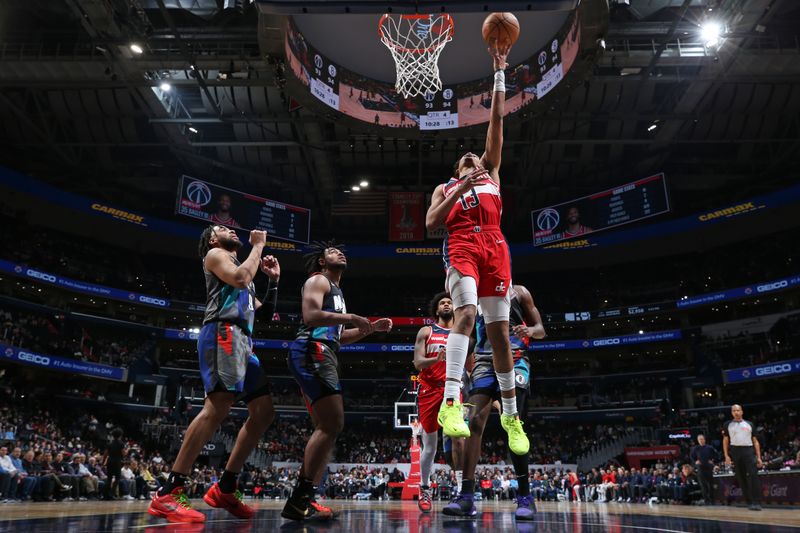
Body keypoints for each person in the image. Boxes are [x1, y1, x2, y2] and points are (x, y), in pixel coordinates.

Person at [426, 41, 529, 461]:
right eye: (464, 157)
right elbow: (433, 223)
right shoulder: (448, 186)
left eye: (476, 154)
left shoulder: (492, 173)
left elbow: (497, 122)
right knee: (466, 314)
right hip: (463, 243)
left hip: (496, 243)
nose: (472, 153)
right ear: (458, 169)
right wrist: (461, 189)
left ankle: (512, 416)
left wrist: (500, 73)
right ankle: (452, 404)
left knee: (500, 332)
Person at [149, 225, 281, 524]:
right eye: (223, 228)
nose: (231, 230)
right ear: (211, 238)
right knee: (218, 405)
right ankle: (169, 491)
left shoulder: (238, 264)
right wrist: (258, 246)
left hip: (244, 340)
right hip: (223, 332)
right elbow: (241, 278)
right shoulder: (216, 254)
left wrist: (273, 281)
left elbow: (262, 312)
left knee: (263, 412)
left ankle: (226, 486)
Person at [282, 241, 392, 521]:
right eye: (332, 251)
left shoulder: (338, 293)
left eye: (342, 250)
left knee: (327, 427)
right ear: (321, 261)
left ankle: (304, 499)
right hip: (311, 349)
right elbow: (310, 316)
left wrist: (369, 329)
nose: (340, 252)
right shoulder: (318, 280)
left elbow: (338, 335)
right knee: (332, 423)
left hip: (324, 349)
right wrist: (352, 316)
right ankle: (299, 500)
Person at [446, 284, 545, 518]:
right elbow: (466, 333)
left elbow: (541, 329)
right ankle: (467, 496)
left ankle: (524, 496)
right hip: (482, 361)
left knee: (513, 421)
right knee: (472, 423)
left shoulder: (520, 292)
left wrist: (530, 332)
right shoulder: (473, 293)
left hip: (516, 357)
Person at [412, 292, 465, 513]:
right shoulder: (426, 331)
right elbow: (417, 363)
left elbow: (469, 364)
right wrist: (437, 358)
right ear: (437, 310)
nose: (446, 305)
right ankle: (424, 488)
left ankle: (463, 490)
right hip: (429, 390)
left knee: (458, 438)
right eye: (442, 303)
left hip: (452, 389)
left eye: (449, 302)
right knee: (430, 445)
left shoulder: (462, 333)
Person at [722, 404, 763, 511]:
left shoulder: (749, 424)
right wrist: (726, 455)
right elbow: (725, 440)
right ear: (731, 412)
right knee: (741, 477)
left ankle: (757, 501)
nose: (736, 412)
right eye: (734, 410)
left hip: (748, 450)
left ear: (742, 411)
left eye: (738, 410)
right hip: (735, 450)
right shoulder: (727, 425)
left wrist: (759, 457)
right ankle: (749, 502)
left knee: (754, 475)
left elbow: (755, 441)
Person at [690, 434, 717, 505]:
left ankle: (712, 500)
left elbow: (716, 455)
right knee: (703, 486)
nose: (701, 440)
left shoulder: (709, 447)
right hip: (700, 468)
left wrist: (712, 461)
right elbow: (692, 456)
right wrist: (695, 461)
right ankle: (706, 501)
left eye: (702, 439)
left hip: (709, 467)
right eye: (699, 439)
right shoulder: (696, 448)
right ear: (698, 441)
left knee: (711, 485)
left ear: (704, 439)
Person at [104, 428, 126, 500]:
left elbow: (105, 453)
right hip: (117, 462)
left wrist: (103, 461)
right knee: (117, 478)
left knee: (109, 478)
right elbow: (123, 453)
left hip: (110, 461)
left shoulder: (110, 443)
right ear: (120, 435)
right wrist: (127, 451)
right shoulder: (121, 443)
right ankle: (111, 494)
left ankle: (105, 495)